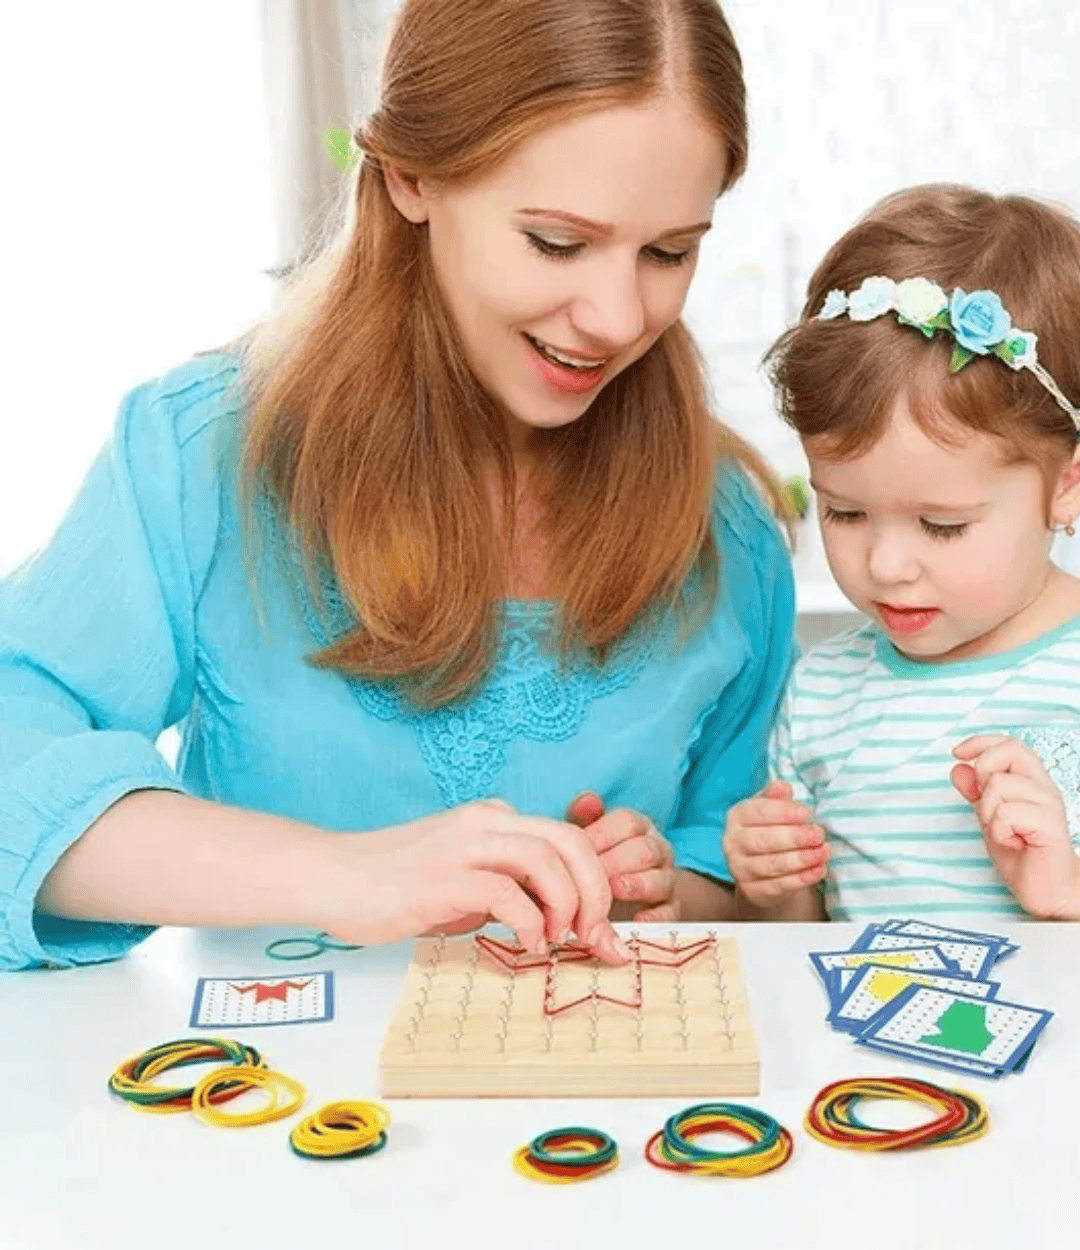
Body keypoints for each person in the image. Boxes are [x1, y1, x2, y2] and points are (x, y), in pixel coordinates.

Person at [0, 0, 798, 973]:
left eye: (669, 251)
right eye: (555, 240)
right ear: (410, 175)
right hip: (273, 1109)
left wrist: (666, 888)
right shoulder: (199, 454)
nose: (616, 315)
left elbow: (743, 874)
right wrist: (351, 874)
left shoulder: (727, 529)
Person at [724, 183, 1080, 923]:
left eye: (941, 525)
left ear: (1071, 482)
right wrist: (773, 888)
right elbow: (804, 942)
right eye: (844, 511)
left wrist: (1074, 887)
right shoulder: (821, 695)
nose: (885, 565)